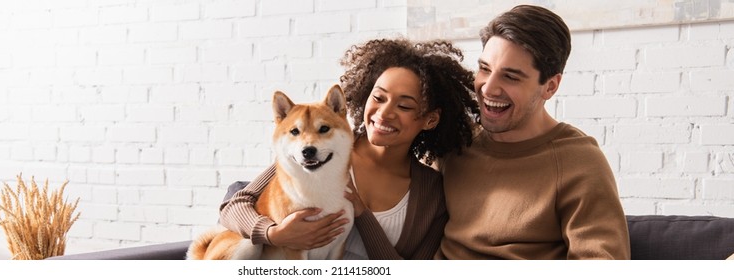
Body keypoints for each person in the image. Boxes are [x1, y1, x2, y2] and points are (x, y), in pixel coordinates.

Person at [218, 38, 480, 259]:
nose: (384, 113)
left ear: (430, 119)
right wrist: (273, 233)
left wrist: (361, 214)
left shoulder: (430, 191)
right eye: (378, 98)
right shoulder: (324, 152)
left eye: (404, 106)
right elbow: (235, 205)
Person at [435, 5, 631, 259]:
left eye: (511, 77)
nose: (488, 89)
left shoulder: (578, 161)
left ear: (550, 87)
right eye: (484, 69)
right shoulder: (455, 140)